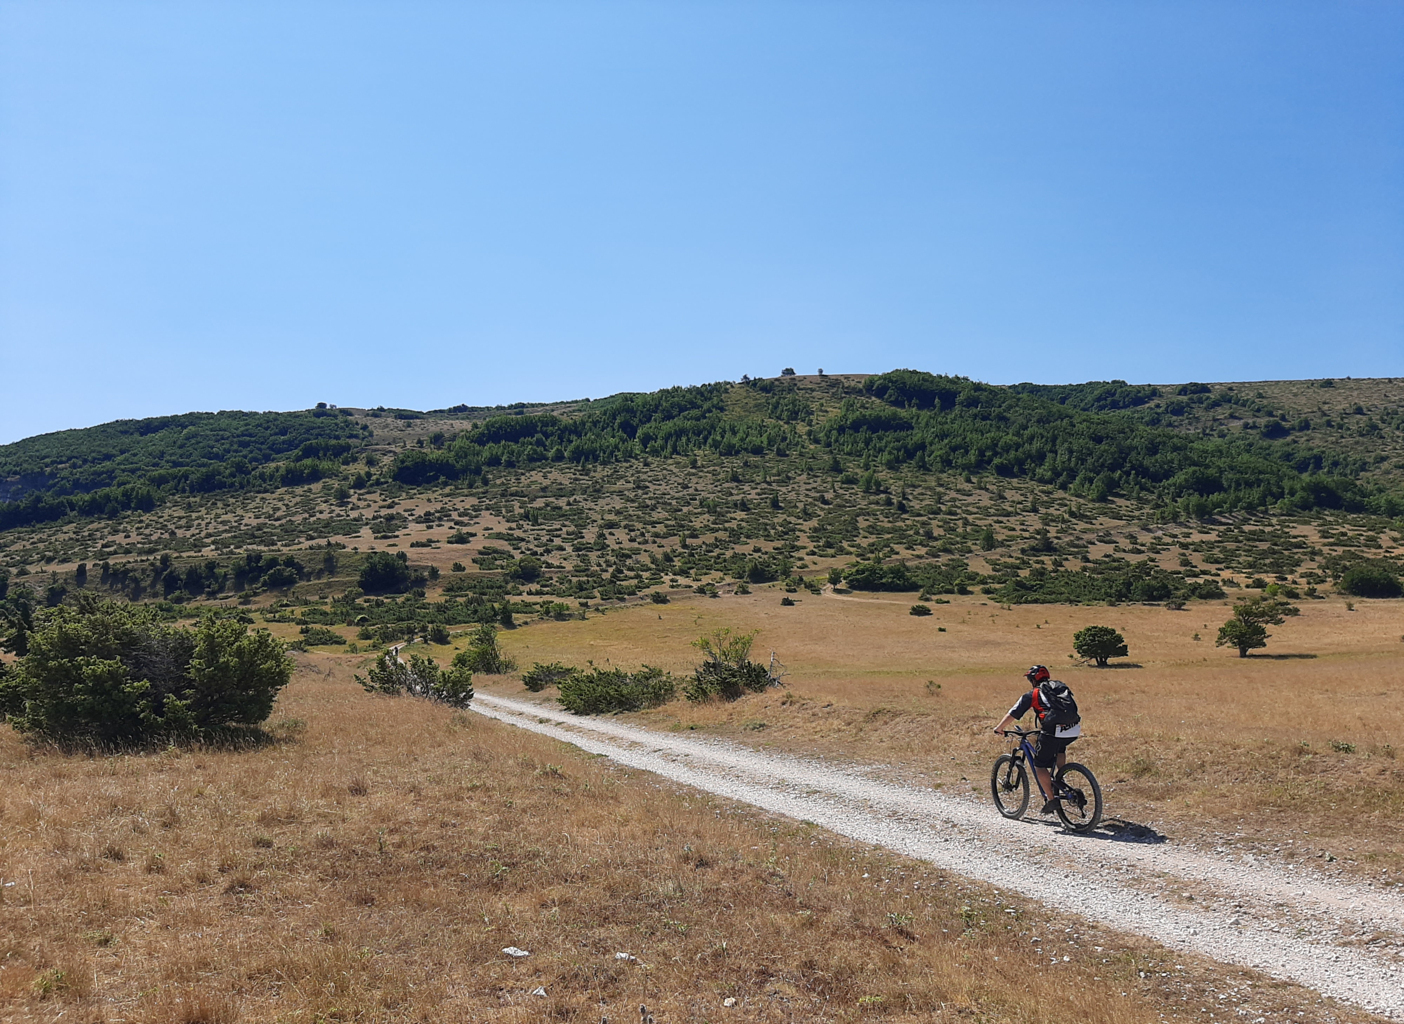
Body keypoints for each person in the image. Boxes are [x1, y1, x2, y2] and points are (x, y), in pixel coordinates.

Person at [992, 665, 1081, 814]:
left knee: (1039, 765)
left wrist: (999, 728)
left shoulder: (1032, 695)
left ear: (1033, 680)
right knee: (1059, 748)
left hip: (1052, 731)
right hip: (1073, 728)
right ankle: (1061, 778)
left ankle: (1052, 800)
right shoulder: (1059, 688)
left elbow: (1013, 713)